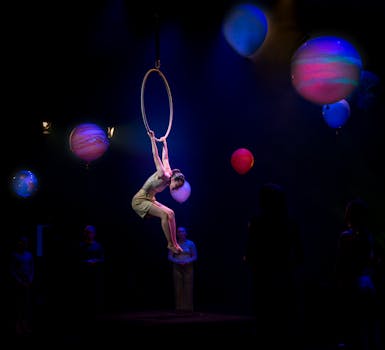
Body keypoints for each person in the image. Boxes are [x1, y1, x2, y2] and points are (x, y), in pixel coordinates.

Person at [244, 182, 304, 345]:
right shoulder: (291, 222)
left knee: (264, 320)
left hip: (263, 277)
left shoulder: (257, 222)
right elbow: (300, 255)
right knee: (284, 319)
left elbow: (250, 252)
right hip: (284, 276)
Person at [335, 198, 379, 350]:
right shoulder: (366, 237)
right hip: (363, 283)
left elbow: (342, 263)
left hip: (355, 284)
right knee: (367, 326)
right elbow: (370, 261)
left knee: (356, 326)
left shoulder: (349, 236)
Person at [132, 130, 185, 254]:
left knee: (171, 213)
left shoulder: (170, 173)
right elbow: (156, 156)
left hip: (150, 198)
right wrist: (152, 139)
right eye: (176, 186)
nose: (175, 189)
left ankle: (175, 243)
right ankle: (170, 244)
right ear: (173, 179)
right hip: (139, 200)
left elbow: (165, 156)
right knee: (164, 215)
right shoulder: (163, 174)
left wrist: (164, 143)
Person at [9, 235, 35, 336]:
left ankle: (25, 325)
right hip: (18, 283)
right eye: (21, 242)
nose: (23, 244)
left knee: (26, 305)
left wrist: (31, 279)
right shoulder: (14, 255)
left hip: (27, 283)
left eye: (25, 242)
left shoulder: (29, 255)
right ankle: (17, 325)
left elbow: (32, 268)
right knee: (18, 304)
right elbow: (12, 270)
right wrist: (19, 281)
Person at [168, 226, 198, 313]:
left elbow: (195, 256)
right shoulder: (173, 244)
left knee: (188, 286)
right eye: (179, 232)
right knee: (178, 287)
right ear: (176, 234)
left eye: (182, 232)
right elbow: (169, 256)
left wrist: (187, 261)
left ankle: (188, 308)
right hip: (177, 266)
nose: (180, 233)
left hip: (188, 266)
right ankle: (179, 308)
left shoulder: (191, 243)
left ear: (186, 233)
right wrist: (177, 261)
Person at [79, 224, 105, 320]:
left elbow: (102, 259)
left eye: (89, 232)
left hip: (94, 275)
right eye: (86, 232)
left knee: (94, 294)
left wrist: (95, 261)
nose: (87, 234)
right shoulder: (81, 246)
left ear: (93, 234)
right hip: (84, 274)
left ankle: (95, 314)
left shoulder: (97, 246)